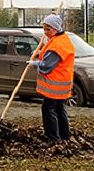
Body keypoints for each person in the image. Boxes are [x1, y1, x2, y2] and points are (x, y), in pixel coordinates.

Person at [28, 14, 75, 142]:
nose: (46, 32)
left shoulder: (57, 45)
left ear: (56, 28)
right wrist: (39, 53)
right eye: (44, 29)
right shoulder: (62, 39)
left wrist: (34, 63)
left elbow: (46, 66)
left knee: (48, 109)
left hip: (54, 86)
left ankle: (53, 138)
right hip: (62, 83)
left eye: (48, 29)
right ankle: (64, 135)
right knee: (60, 109)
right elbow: (49, 54)